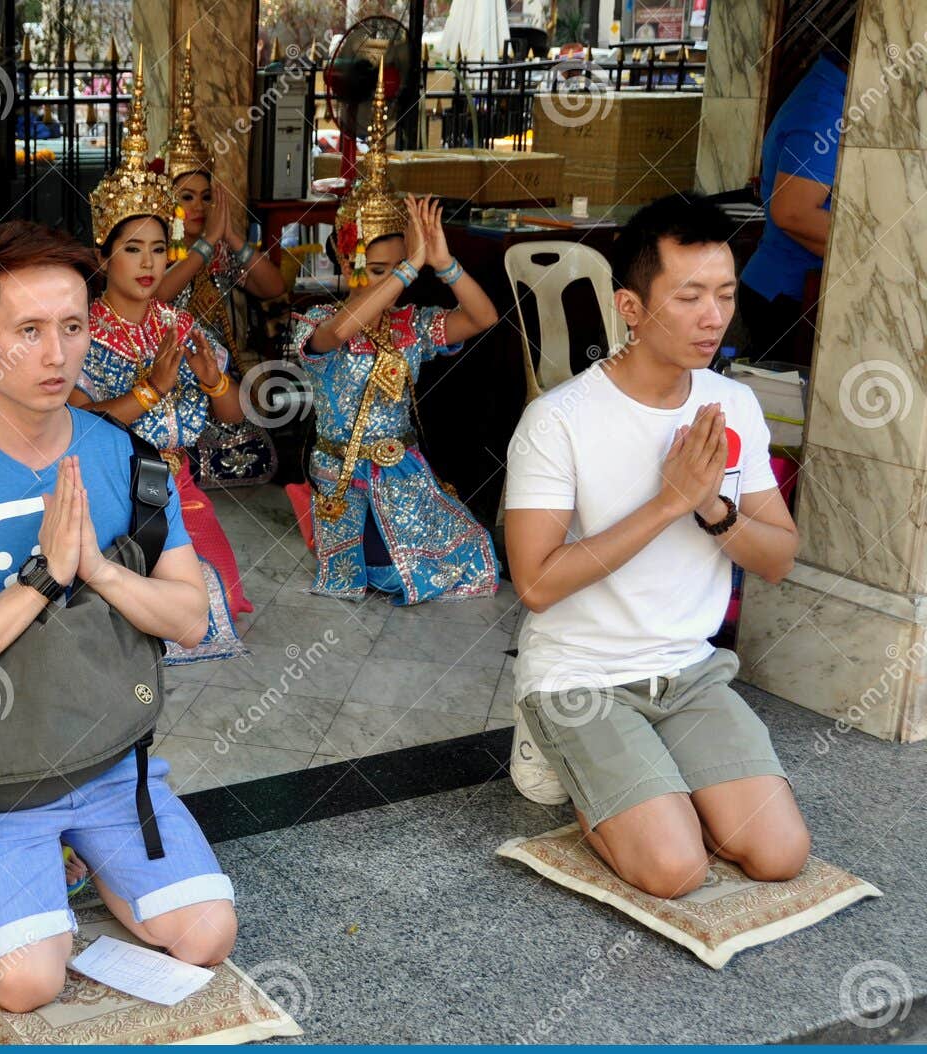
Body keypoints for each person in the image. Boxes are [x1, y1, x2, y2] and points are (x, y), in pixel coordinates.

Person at [0, 219, 236, 1013]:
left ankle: (91, 855)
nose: (55, 354)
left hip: (109, 758)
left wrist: (100, 568)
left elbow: (189, 617)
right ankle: (28, 865)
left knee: (207, 935)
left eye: (72, 327)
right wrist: (41, 581)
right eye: (28, 330)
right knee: (30, 983)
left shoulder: (129, 459)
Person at [505, 194, 810, 899]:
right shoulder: (558, 421)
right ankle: (561, 753)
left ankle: (657, 775)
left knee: (777, 852)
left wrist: (712, 509)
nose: (714, 317)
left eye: (726, 294)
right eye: (690, 296)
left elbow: (780, 556)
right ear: (632, 308)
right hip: (580, 678)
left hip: (688, 671)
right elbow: (536, 585)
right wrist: (668, 502)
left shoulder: (733, 405)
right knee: (675, 868)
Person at [289, 70, 500, 604]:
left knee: (473, 553)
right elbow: (347, 327)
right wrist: (408, 268)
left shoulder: (410, 326)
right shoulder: (315, 322)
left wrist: (445, 265)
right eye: (374, 269)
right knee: (373, 570)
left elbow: (482, 318)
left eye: (396, 269)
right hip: (341, 478)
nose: (389, 282)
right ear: (345, 259)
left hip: (403, 473)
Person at [72, 55, 254, 664]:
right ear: (105, 258)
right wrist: (149, 390)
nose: (148, 264)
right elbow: (80, 426)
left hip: (177, 486)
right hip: (108, 492)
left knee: (216, 606)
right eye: (132, 249)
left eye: (158, 248)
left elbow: (230, 418)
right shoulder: (76, 333)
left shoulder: (180, 325)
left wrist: (215, 380)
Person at [153, 34, 288, 490]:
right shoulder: (152, 250)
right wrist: (205, 245)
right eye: (185, 197)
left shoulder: (219, 254)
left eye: (206, 197)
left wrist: (230, 235)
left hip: (215, 375)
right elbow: (157, 298)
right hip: (163, 373)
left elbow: (273, 288)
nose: (196, 207)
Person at [739, 44, 850, 363]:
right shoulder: (824, 109)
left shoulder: (830, 95)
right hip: (788, 297)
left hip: (789, 293)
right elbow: (794, 212)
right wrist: (872, 253)